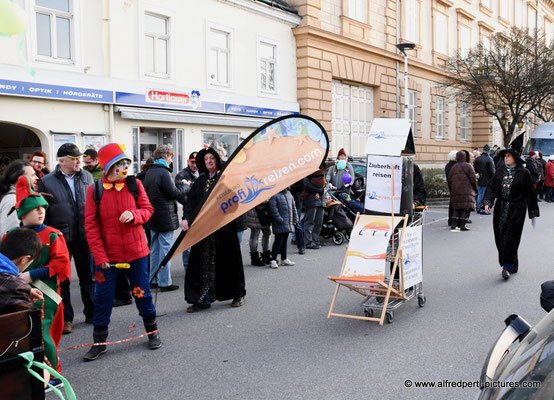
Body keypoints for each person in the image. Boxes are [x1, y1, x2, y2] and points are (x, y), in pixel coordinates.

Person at [83, 143, 160, 361]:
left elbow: (148, 210)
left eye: (127, 163)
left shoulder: (134, 184)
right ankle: (99, 342)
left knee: (142, 293)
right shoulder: (95, 190)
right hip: (107, 259)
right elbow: (91, 226)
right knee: (103, 298)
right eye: (120, 164)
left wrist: (135, 215)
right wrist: (100, 257)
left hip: (137, 253)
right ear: (108, 166)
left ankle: (152, 332)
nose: (125, 168)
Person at [10, 175, 71, 373]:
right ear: (22, 213)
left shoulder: (53, 235)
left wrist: (31, 275)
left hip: (46, 293)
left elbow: (61, 264)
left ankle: (53, 373)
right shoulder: (9, 236)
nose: (40, 211)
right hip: (15, 293)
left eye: (42, 207)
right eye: (34, 208)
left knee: (43, 334)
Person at [38, 143, 94, 334]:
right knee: (63, 280)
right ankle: (66, 318)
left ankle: (91, 313)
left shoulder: (86, 176)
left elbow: (93, 204)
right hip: (60, 237)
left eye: (80, 158)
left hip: (85, 235)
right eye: (74, 158)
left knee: (88, 276)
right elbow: (44, 212)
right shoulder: (47, 181)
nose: (79, 161)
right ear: (62, 161)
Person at [182, 147, 245, 312]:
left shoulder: (225, 179)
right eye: (206, 159)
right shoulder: (200, 181)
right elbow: (190, 202)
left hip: (224, 228)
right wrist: (185, 218)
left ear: (217, 160)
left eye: (212, 158)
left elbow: (235, 202)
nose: (209, 161)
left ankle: (237, 293)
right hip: (204, 230)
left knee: (229, 262)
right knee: (202, 264)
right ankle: (203, 298)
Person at [483, 140, 539, 280]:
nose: (506, 158)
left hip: (517, 208)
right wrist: (488, 202)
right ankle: (513, 263)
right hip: (501, 208)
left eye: (508, 156)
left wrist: (532, 213)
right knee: (501, 236)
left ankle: (506, 267)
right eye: (505, 156)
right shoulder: (500, 171)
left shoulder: (524, 173)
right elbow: (491, 187)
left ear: (515, 158)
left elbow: (530, 193)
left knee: (511, 237)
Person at [143, 146, 186, 291]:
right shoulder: (164, 173)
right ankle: (165, 282)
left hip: (153, 217)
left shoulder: (149, 171)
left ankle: (153, 278)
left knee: (154, 249)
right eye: (171, 157)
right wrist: (187, 187)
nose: (171, 160)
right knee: (166, 250)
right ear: (166, 156)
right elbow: (174, 193)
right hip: (165, 217)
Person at [0, 228, 44, 315]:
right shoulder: (17, 287)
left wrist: (27, 290)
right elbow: (28, 321)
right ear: (24, 259)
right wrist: (25, 291)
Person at [0, 160, 38, 237]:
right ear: (20, 178)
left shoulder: (18, 198)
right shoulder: (13, 200)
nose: (37, 178)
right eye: (33, 175)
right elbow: (10, 235)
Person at [268, 189, 298, 269]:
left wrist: (295, 219)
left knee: (284, 240)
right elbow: (273, 209)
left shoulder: (289, 193)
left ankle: (284, 258)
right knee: (278, 240)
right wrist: (280, 219)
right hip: (280, 222)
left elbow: (293, 207)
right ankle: (273, 259)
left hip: (288, 221)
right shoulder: (275, 194)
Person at [448, 150, 477, 232]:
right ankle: (462, 225)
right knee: (465, 208)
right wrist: (475, 188)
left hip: (456, 190)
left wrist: (452, 188)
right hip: (466, 190)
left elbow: (450, 179)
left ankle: (453, 225)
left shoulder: (454, 167)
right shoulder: (468, 166)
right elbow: (473, 179)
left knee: (456, 208)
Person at [302, 166, 327, 249]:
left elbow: (325, 184)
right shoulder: (308, 171)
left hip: (321, 200)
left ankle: (315, 240)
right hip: (311, 200)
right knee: (310, 222)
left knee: (319, 222)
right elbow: (307, 185)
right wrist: (319, 191)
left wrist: (321, 192)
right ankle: (308, 242)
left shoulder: (321, 171)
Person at [246, 202, 272, 266]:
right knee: (255, 234)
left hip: (262, 210)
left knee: (267, 233)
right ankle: (255, 259)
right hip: (255, 210)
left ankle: (265, 256)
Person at [473, 145, 495, 214]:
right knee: (485, 195)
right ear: (488, 151)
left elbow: (475, 168)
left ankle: (478, 207)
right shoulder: (489, 159)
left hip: (480, 178)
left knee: (480, 194)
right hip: (487, 179)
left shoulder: (478, 159)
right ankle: (483, 209)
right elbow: (492, 171)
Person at [289, 179, 305, 255]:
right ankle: (279, 248)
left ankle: (301, 246)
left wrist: (290, 186)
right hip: (281, 201)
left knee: (297, 224)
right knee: (281, 226)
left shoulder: (296, 172)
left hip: (295, 202)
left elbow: (302, 186)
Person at [445, 150, 458, 226]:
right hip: (455, 186)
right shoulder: (455, 166)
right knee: (455, 204)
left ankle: (451, 220)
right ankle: (453, 220)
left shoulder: (448, 165)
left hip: (451, 185)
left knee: (452, 203)